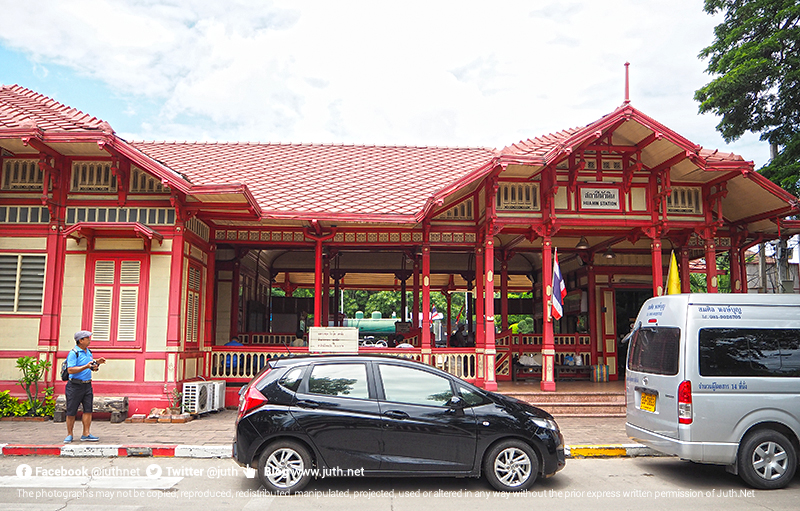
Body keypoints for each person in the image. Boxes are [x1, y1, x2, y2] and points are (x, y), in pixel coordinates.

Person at [64, 330, 106, 443]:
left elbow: (90, 366)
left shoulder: (88, 352)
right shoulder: (73, 353)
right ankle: (69, 434)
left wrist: (96, 364)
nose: (89, 340)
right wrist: (86, 366)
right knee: (71, 411)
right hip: (74, 385)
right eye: (87, 338)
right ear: (81, 340)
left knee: (88, 410)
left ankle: (86, 433)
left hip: (87, 385)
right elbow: (70, 369)